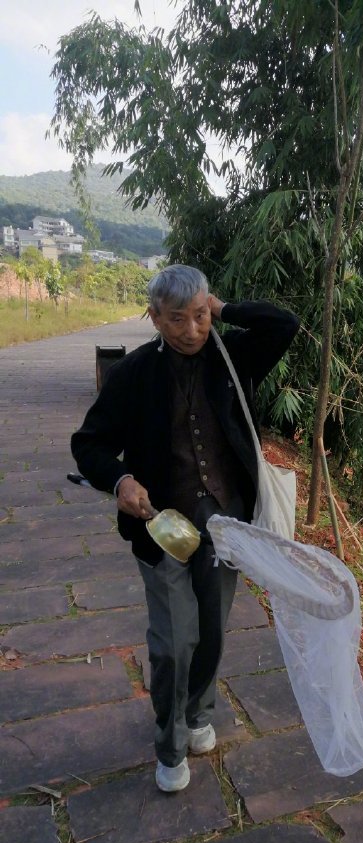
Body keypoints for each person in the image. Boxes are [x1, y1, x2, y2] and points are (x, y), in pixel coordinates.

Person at [72, 264, 300, 792]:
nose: (193, 330)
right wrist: (121, 479)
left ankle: (198, 713)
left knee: (213, 631)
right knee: (173, 642)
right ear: (154, 317)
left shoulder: (232, 355)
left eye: (200, 316)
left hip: (225, 522)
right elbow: (89, 444)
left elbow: (283, 324)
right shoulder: (133, 375)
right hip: (160, 526)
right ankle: (171, 746)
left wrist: (223, 309)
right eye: (178, 319)